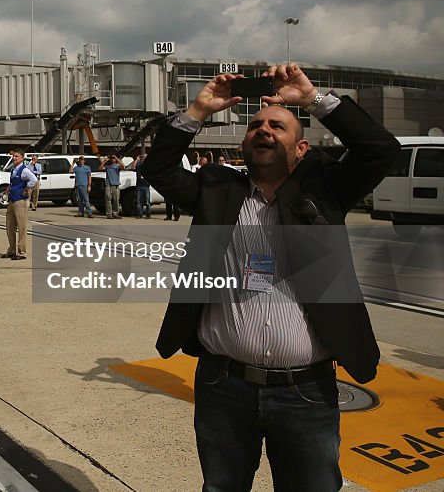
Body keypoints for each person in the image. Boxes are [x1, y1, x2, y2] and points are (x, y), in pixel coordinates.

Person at [142, 63, 399, 492]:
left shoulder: (325, 191)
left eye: (278, 125)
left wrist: (313, 99)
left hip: (306, 392)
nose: (264, 130)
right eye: (256, 125)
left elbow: (380, 150)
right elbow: (159, 169)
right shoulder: (217, 190)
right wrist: (199, 110)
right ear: (243, 143)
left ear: (301, 151)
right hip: (223, 386)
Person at [2, 150, 37, 260]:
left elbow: (34, 179)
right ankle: (11, 250)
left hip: (20, 201)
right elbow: (13, 183)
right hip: (12, 200)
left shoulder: (24, 170)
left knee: (21, 227)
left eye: (16, 156)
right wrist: (8, 191)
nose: (14, 158)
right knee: (9, 226)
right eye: (13, 156)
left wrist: (27, 188)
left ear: (22, 158)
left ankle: (22, 252)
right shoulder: (14, 169)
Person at [132, 154, 151, 219]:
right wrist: (136, 159)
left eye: (144, 158)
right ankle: (139, 215)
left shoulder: (148, 167)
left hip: (146, 186)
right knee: (138, 202)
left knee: (147, 202)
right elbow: (132, 167)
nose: (142, 159)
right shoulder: (139, 166)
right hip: (139, 186)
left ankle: (148, 215)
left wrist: (147, 157)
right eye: (142, 158)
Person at [103, 155, 122, 219]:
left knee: (116, 200)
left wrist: (117, 158)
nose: (112, 159)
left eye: (113, 158)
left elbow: (123, 166)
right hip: (108, 184)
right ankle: (109, 214)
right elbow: (100, 168)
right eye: (111, 158)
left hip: (116, 185)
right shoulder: (107, 167)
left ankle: (115, 213)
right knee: (108, 199)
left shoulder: (117, 166)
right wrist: (105, 161)